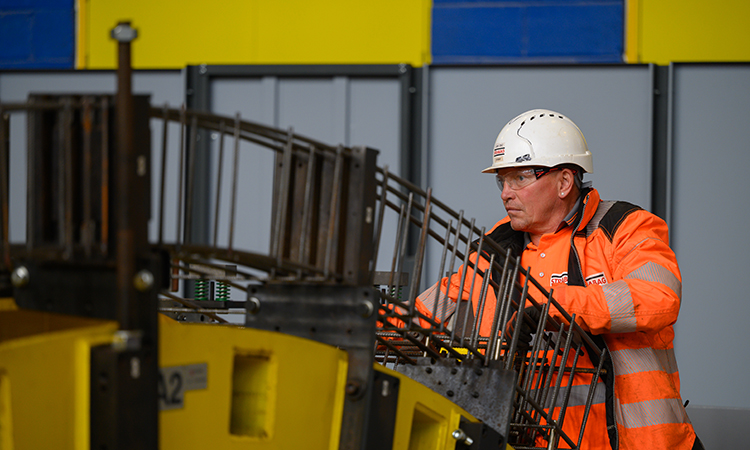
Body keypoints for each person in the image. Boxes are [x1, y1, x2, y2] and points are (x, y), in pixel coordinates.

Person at [434, 109, 701, 449]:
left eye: (520, 178)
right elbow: (431, 312)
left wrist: (552, 302)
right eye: (502, 180)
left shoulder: (624, 227)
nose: (505, 193)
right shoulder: (494, 250)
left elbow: (658, 297)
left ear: (563, 182)